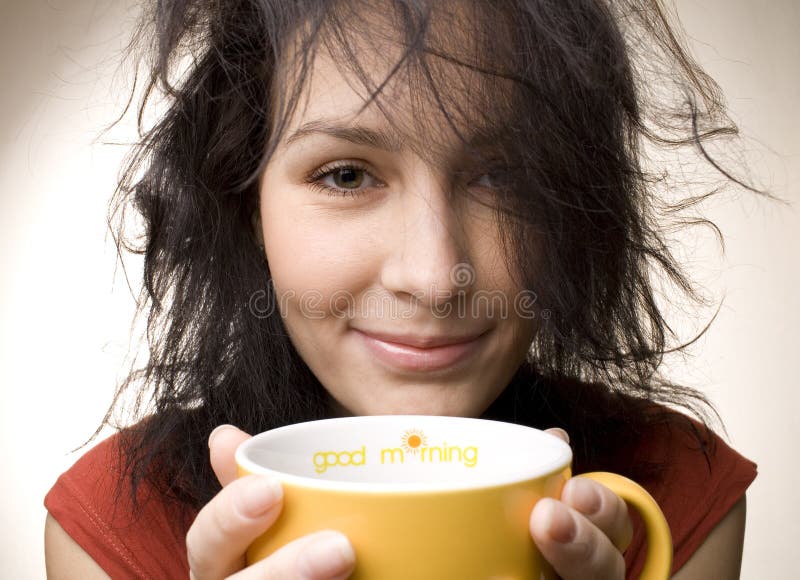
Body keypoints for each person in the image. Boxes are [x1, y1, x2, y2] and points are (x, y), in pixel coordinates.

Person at [43, 0, 759, 578]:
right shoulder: (112, 533)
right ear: (245, 203)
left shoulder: (674, 505)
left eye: (502, 176)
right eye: (347, 175)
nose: (435, 275)